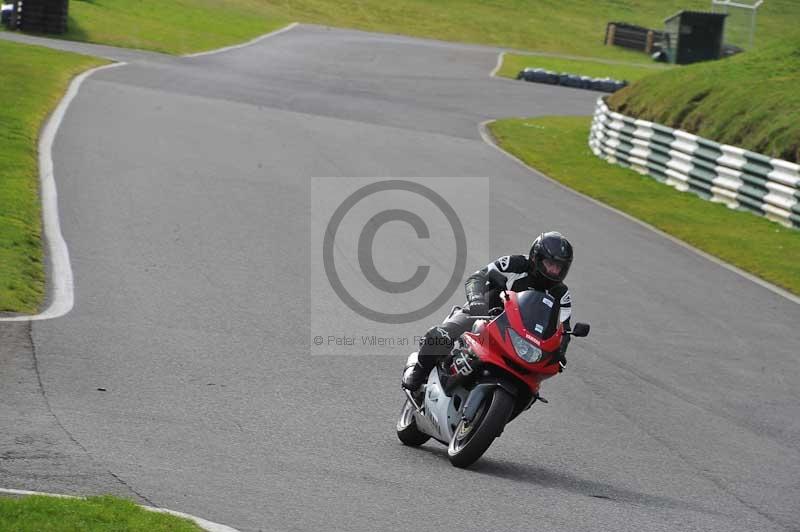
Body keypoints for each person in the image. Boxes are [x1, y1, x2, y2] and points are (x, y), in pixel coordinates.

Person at [402, 231, 574, 391]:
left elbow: (564, 329)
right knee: (441, 335)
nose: (553, 271)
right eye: (550, 264)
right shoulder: (515, 264)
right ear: (536, 258)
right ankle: (419, 372)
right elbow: (478, 277)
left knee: (533, 379)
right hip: (486, 312)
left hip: (523, 336)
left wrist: (560, 353)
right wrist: (476, 299)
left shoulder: (561, 293)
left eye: (558, 267)